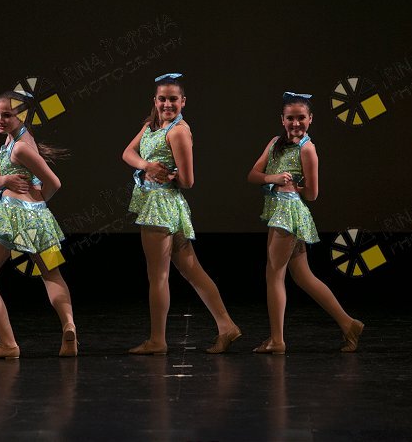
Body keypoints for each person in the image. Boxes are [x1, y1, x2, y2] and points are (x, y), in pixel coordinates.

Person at [122, 72, 241, 355]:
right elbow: (127, 153)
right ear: (155, 100)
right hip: (159, 204)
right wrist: (147, 165)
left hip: (160, 207)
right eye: (162, 99)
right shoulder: (151, 126)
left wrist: (168, 174)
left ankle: (157, 340)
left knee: (158, 277)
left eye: (173, 99)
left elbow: (188, 181)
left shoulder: (178, 131)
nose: (167, 104)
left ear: (183, 101)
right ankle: (227, 326)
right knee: (192, 270)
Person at [247, 92, 364, 354]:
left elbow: (312, 194)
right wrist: (274, 178)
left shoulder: (308, 149)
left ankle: (277, 340)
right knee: (303, 276)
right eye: (290, 118)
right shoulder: (275, 143)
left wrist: (294, 188)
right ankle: (349, 324)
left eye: (301, 117)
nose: (296, 123)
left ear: (310, 119)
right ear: (282, 119)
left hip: (288, 213)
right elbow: (253, 175)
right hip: (279, 210)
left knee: (274, 275)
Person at [0, 90, 77, 359]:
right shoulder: (13, 140)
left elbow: (54, 182)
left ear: (22, 116)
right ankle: (69, 326)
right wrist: (7, 181)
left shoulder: (20, 147)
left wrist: (39, 198)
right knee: (52, 275)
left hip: (12, 217)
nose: (0, 120)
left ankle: (8, 344)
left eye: (7, 115)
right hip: (40, 222)